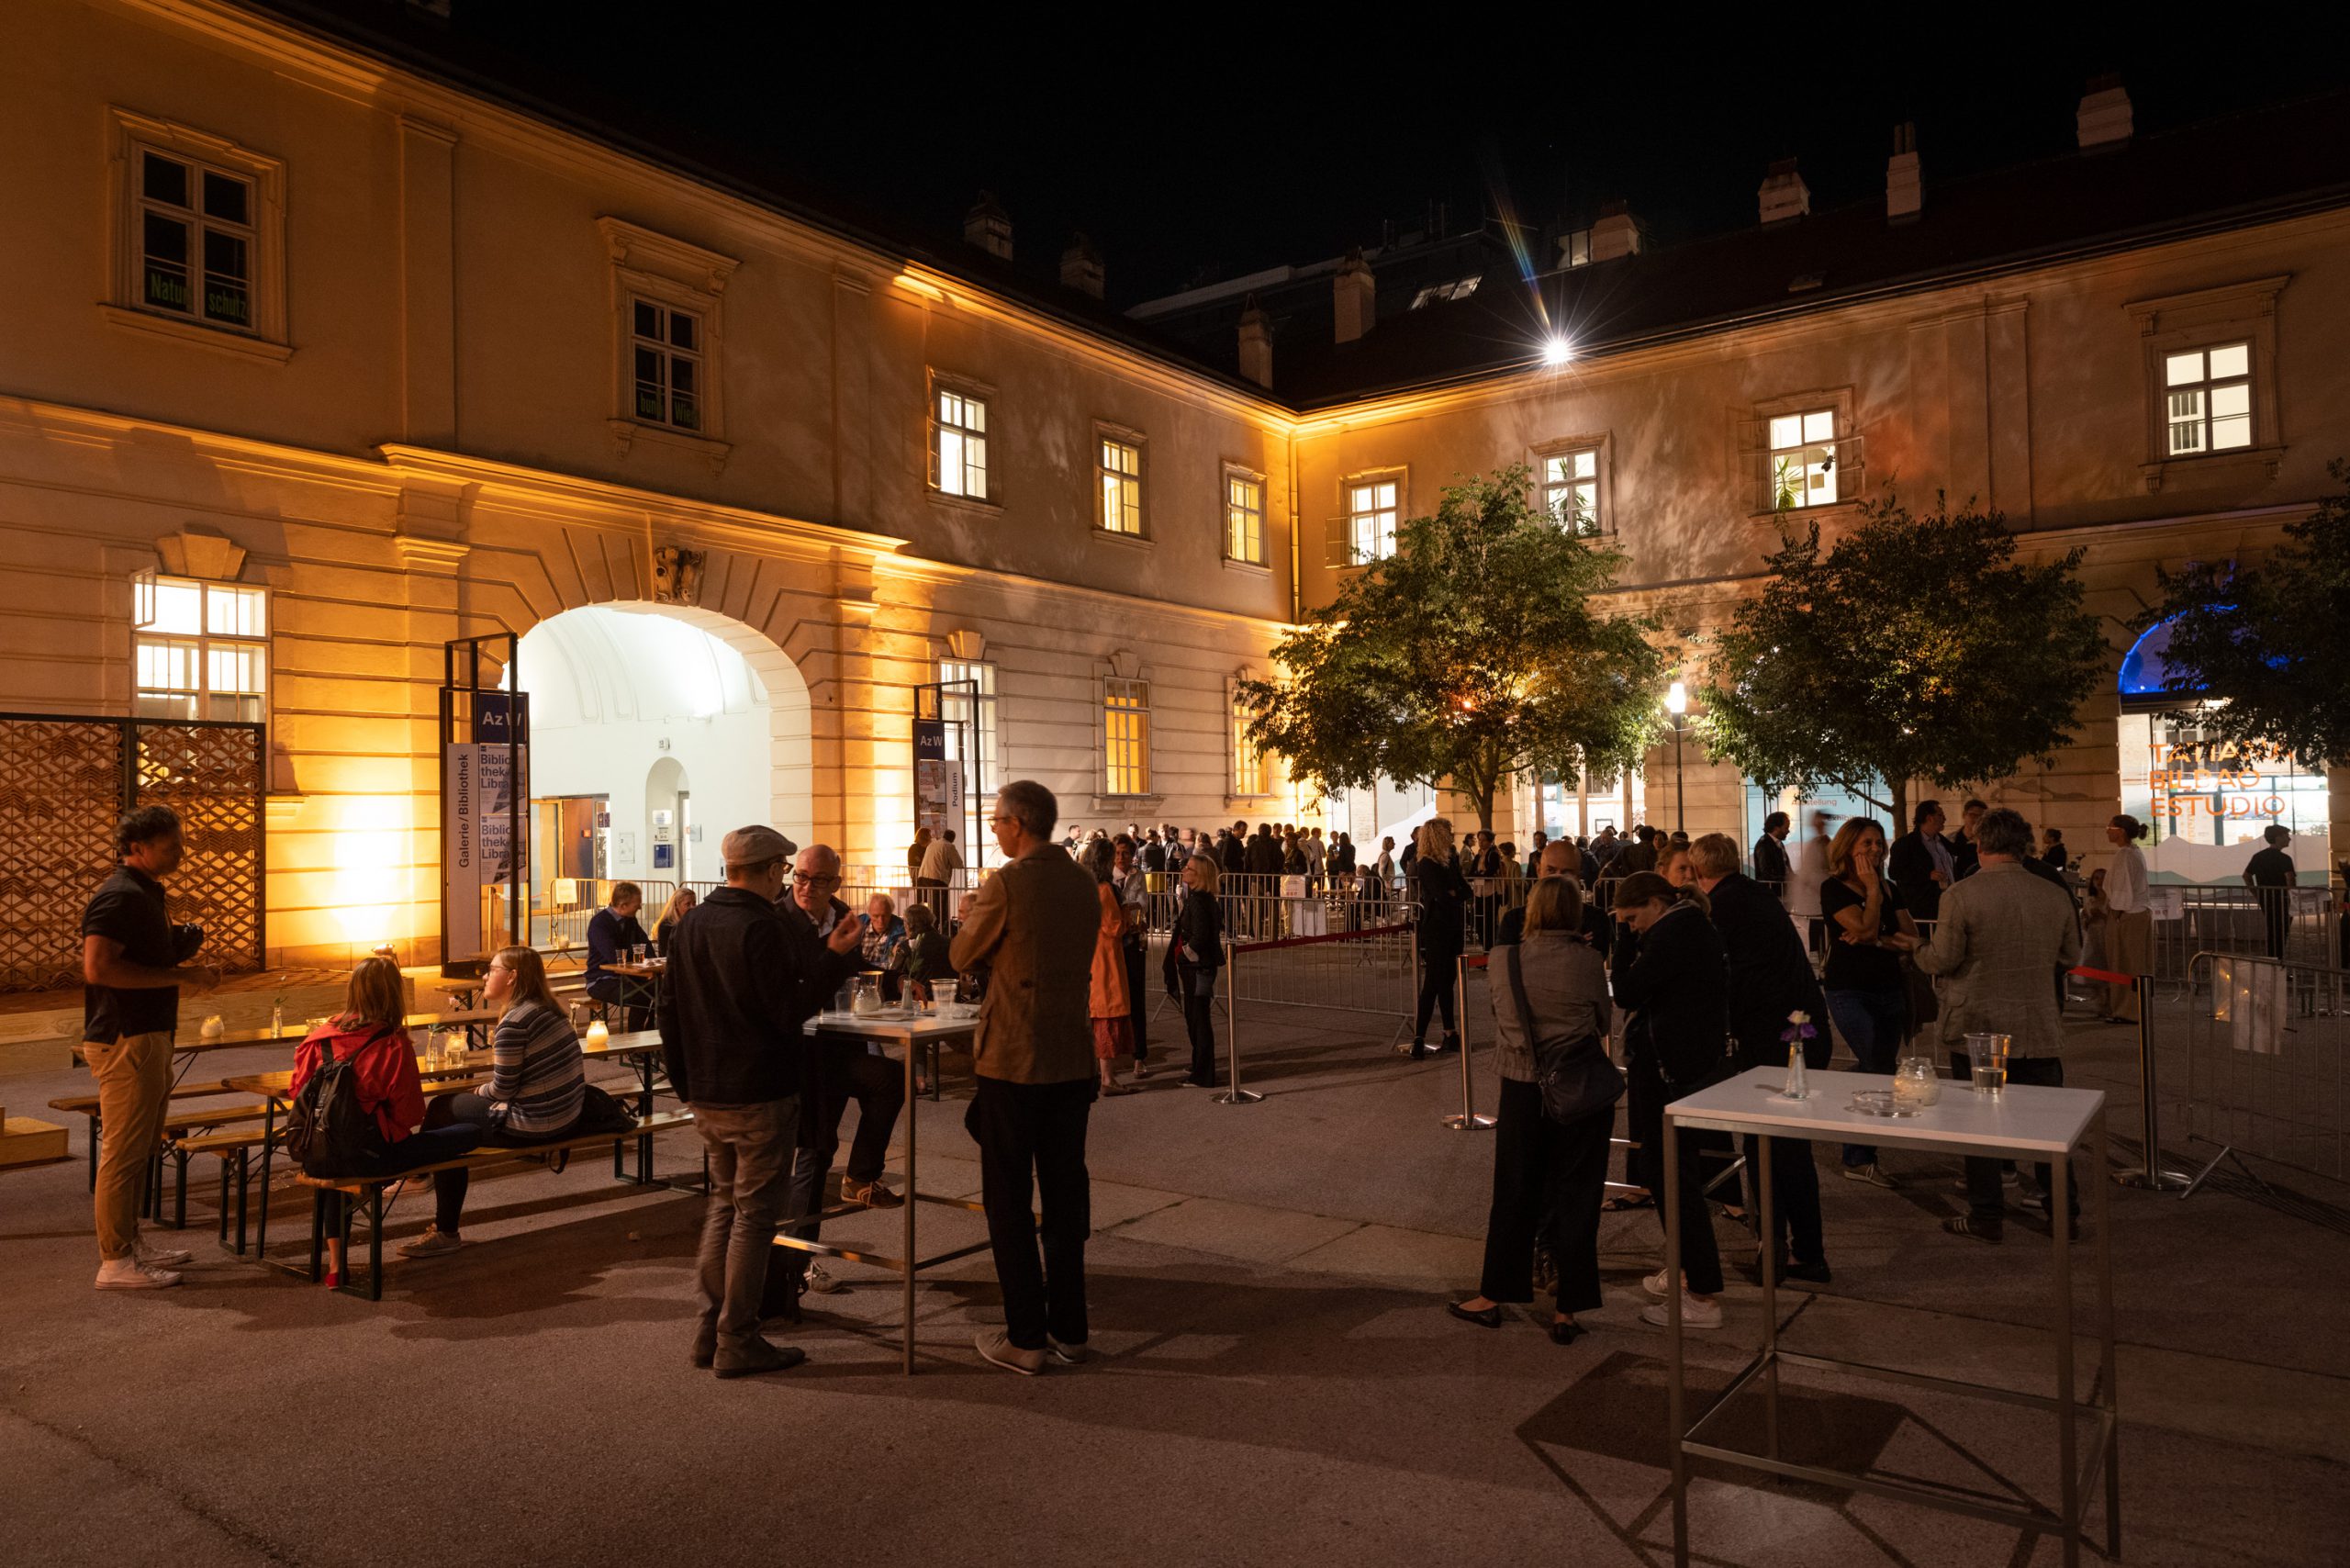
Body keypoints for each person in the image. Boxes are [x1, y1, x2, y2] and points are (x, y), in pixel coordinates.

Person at [658, 825, 862, 1378]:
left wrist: (687, 1084)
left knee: (723, 1207)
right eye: (784, 871)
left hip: (709, 1094)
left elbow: (668, 1010)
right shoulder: (761, 924)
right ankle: (738, 1338)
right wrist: (835, 956)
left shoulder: (693, 922)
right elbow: (787, 1007)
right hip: (760, 1091)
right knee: (752, 1218)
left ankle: (710, 1328)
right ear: (772, 871)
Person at [949, 779, 1102, 1375]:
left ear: (1018, 824)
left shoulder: (1008, 884)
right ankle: (1071, 1329)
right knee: (1066, 1198)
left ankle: (1026, 1337)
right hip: (1071, 1056)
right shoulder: (1082, 882)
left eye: (996, 821)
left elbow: (962, 956)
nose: (992, 829)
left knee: (1009, 1200)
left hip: (1014, 1058)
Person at [1447, 877, 1616, 1343]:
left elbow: (1503, 1017)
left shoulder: (1504, 958)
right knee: (1577, 1193)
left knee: (1515, 1189)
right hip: (1578, 1088)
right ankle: (1568, 1309)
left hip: (1521, 1085)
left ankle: (1494, 1294)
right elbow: (1603, 1020)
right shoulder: (1588, 961)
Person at [1915, 809, 2084, 1242]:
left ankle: (1986, 1214)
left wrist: (1915, 950)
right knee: (2049, 1126)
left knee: (1979, 1125)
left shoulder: (1961, 895)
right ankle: (2063, 1212)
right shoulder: (2053, 894)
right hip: (2038, 1024)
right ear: (2023, 845)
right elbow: (2071, 956)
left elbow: (1945, 959)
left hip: (1978, 1025)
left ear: (1980, 844)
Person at [80, 805, 218, 1290]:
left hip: (147, 1034)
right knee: (122, 1152)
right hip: (126, 1038)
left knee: (139, 1150)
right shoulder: (119, 897)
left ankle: (129, 1243)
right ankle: (115, 1261)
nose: (179, 853)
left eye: (179, 844)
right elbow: (98, 968)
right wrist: (179, 976)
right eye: (170, 846)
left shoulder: (142, 894)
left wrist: (174, 951)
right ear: (136, 848)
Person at [291, 958, 485, 1287]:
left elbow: (298, 1093)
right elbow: (411, 1115)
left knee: (337, 1161)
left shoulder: (317, 1040)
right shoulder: (392, 1044)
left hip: (316, 1155)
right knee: (467, 1134)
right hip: (373, 1154)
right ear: (394, 995)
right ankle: (445, 1225)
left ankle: (337, 1265)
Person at [1689, 834, 1831, 1283]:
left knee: (1767, 1149)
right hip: (1803, 1027)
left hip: (1778, 1038)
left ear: (1696, 872)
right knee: (1790, 1150)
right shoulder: (1754, 895)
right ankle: (1806, 1251)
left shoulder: (1721, 908)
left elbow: (1726, 977)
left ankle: (1775, 1252)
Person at [777, 846, 908, 1300]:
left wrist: (894, 979)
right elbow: (797, 982)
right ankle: (798, 1266)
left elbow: (854, 969)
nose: (807, 887)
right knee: (815, 1152)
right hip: (805, 1053)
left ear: (836, 882)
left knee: (890, 1080)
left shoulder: (842, 917)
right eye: (801, 877)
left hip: (839, 1044)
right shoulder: (780, 922)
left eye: (818, 879)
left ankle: (861, 1177)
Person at [397, 944, 587, 1260]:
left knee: (443, 1112)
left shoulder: (514, 1022)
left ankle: (435, 1211)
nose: (485, 976)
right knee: (449, 1115)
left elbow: (502, 1090)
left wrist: (476, 1094)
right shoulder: (549, 1011)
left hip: (538, 1122)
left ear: (512, 977)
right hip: (568, 1114)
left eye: (493, 970)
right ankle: (422, 1180)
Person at [1609, 870, 1733, 1330]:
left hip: (1672, 1070)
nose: (1631, 926)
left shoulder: (1674, 933)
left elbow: (1626, 990)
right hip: (1681, 1066)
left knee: (1671, 1176)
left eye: (1633, 918)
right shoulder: (1689, 927)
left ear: (1655, 905)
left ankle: (1701, 1291)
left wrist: (1621, 943)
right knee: (1666, 1172)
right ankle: (1688, 1273)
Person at [1820, 818, 1919, 1188]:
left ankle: (1856, 1141)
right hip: (1849, 990)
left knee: (1878, 1067)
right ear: (1848, 848)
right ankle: (1858, 1157)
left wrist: (1877, 939)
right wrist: (1874, 894)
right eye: (1867, 844)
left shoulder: (1892, 887)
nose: (1876, 850)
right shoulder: (1833, 889)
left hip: (1889, 988)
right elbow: (1861, 928)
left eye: (1879, 843)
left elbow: (1911, 936)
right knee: (1874, 1064)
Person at [1409, 820, 1473, 1058]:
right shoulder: (1426, 863)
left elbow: (1466, 891)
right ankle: (1419, 1036)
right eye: (1447, 831)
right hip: (1436, 929)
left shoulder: (1450, 859)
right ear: (1437, 835)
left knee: (1448, 980)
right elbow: (1441, 896)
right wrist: (1453, 894)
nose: (1452, 834)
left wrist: (1454, 893)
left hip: (1453, 927)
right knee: (1433, 983)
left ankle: (1450, 1032)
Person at [1170, 855, 1227, 1088]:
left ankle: (1203, 1074)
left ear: (1199, 875)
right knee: (1194, 1017)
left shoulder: (1199, 901)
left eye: (1189, 868)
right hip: (1198, 966)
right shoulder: (1201, 898)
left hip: (1198, 967)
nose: (1184, 869)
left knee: (1199, 1018)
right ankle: (1198, 1063)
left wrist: (1184, 953)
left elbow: (1201, 936)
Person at [1086, 844, 1136, 1096]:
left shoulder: (1084, 887)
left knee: (1098, 1016)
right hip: (1106, 958)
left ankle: (1101, 1074)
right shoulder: (1105, 890)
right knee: (1108, 1016)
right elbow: (1114, 928)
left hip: (1091, 956)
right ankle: (1108, 1078)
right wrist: (1126, 914)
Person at [2102, 815, 2153, 1023]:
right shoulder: (2134, 853)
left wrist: (2116, 912)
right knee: (2138, 963)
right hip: (2139, 913)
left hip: (2128, 915)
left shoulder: (2124, 855)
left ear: (2120, 831)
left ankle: (2127, 1010)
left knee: (2124, 963)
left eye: (2110, 827)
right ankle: (2135, 1008)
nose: (2107, 831)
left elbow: (2122, 889)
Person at [586, 882, 653, 1032]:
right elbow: (614, 957)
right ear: (623, 905)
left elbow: (644, 943)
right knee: (642, 997)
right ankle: (635, 1045)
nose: (640, 907)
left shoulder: (630, 920)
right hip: (601, 979)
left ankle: (650, 1038)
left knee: (662, 991)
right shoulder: (600, 923)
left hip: (626, 976)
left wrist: (652, 962)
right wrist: (637, 957)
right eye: (637, 904)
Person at [1111, 835, 1151, 1075]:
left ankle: (1139, 1056)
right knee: (1113, 1000)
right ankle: (1112, 1054)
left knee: (1137, 998)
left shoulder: (1138, 876)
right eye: (1117, 853)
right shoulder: (1107, 878)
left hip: (1134, 941)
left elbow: (1142, 905)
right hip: (1113, 943)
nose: (1121, 858)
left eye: (1125, 853)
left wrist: (1126, 912)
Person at [1888, 802, 1953, 924]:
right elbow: (1895, 872)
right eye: (1940, 815)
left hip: (1948, 903)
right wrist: (1927, 875)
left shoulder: (1943, 842)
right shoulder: (1906, 844)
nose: (1944, 819)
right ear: (1929, 818)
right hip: (1923, 910)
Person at [2245, 825, 2297, 961]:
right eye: (2286, 835)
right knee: (2282, 932)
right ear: (2278, 837)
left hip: (2266, 898)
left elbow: (2246, 875)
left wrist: (2256, 892)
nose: (2289, 839)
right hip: (2283, 899)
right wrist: (2293, 896)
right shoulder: (2284, 859)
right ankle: (2277, 962)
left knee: (2272, 931)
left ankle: (2273, 961)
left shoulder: (2258, 856)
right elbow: (2290, 878)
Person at [1790, 809, 1835, 955]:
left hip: (1817, 893)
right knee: (1818, 927)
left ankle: (1820, 954)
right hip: (1816, 894)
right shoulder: (1819, 843)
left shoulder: (1821, 842)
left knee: (1819, 927)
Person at [890, 902, 955, 1001]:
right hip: (950, 999)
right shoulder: (949, 942)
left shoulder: (906, 947)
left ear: (908, 924)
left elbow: (895, 978)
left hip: (921, 1002)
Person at [859, 893, 907, 993]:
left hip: (885, 981)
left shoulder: (900, 929)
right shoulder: (858, 925)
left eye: (885, 916)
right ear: (869, 913)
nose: (880, 921)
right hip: (860, 980)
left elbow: (893, 964)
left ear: (891, 913)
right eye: (876, 916)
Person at [1949, 798, 1989, 882]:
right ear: (1964, 815)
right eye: (1973, 815)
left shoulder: (1988, 841)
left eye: (1981, 816)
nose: (1976, 819)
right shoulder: (1951, 840)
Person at [1751, 812, 1792, 893]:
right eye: (1786, 828)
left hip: (1779, 892)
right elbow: (1766, 875)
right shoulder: (1764, 845)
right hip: (1773, 893)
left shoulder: (1778, 843)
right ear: (1776, 828)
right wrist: (1788, 879)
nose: (1788, 831)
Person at [654, 887, 697, 955]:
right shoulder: (666, 925)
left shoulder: (696, 923)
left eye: (694, 903)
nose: (693, 907)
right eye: (688, 904)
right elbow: (665, 953)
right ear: (676, 905)